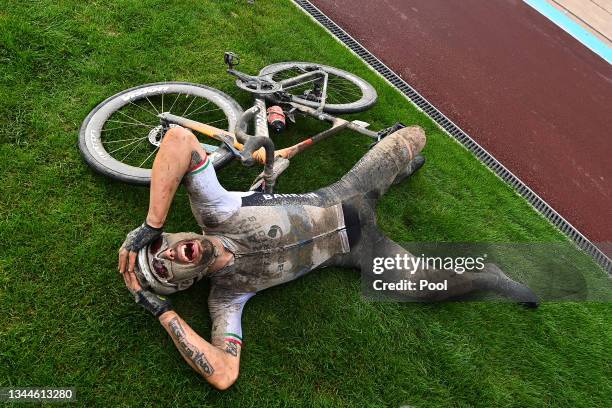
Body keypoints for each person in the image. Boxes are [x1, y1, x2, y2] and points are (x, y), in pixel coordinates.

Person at [117, 125, 539, 390]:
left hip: (348, 194)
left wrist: (150, 226)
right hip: (357, 250)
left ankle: (399, 168)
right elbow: (225, 374)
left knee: (414, 135)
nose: (171, 253)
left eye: (163, 246)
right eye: (166, 267)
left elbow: (179, 139)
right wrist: (159, 310)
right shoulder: (227, 298)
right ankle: (491, 276)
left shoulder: (213, 211)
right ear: (185, 283)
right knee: (431, 288)